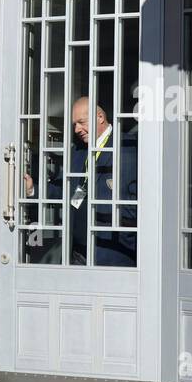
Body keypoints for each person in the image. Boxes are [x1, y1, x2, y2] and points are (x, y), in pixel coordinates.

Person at [24, 96, 137, 266]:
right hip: (79, 251)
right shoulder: (78, 151)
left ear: (100, 117)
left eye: (81, 122)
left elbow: (140, 199)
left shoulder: (128, 147)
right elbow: (66, 191)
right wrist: (33, 189)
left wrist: (127, 234)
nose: (77, 129)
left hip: (115, 252)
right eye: (74, 124)